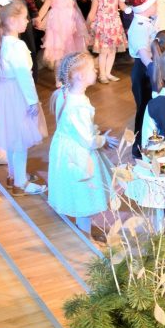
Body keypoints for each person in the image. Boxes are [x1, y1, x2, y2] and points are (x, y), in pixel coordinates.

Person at [0, 0, 48, 195]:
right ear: (12, 21)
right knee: (20, 140)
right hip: (17, 95)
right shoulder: (17, 46)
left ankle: (13, 175)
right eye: (24, 18)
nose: (27, 21)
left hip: (4, 94)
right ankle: (20, 183)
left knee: (13, 138)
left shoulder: (0, 42)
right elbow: (24, 76)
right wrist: (32, 101)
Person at [47, 51, 111, 241]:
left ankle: (84, 228)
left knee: (79, 190)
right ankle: (85, 236)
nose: (96, 70)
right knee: (85, 193)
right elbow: (88, 140)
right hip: (78, 154)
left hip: (64, 147)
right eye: (92, 68)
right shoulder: (78, 106)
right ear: (80, 76)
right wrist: (103, 140)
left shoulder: (65, 92)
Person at [34, 0, 88, 73]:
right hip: (58, 24)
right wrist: (38, 18)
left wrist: (82, 22)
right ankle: (59, 78)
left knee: (71, 50)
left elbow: (75, 5)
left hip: (71, 22)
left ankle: (68, 75)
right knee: (59, 52)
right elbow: (46, 6)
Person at [126, 0, 160, 157]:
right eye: (154, 3)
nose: (157, 6)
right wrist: (154, 70)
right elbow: (143, 52)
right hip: (144, 70)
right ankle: (138, 147)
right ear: (145, 7)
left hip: (147, 69)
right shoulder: (140, 26)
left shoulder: (145, 21)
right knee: (143, 109)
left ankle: (151, 141)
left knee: (149, 107)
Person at [87, 0, 126, 83]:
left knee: (112, 50)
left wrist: (131, 9)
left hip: (114, 25)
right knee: (104, 51)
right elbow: (92, 12)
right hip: (103, 26)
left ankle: (108, 73)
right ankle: (102, 75)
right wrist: (87, 25)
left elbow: (122, 6)